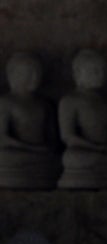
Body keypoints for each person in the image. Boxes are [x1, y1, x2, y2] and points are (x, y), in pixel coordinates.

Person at [57, 48, 107, 189]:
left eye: (102, 70)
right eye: (94, 71)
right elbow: (67, 136)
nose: (100, 75)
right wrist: (97, 147)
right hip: (84, 151)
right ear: (77, 73)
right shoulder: (69, 101)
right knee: (72, 157)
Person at [0, 52, 59, 189]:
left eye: (37, 72)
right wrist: (30, 148)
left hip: (41, 155)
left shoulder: (45, 105)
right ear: (13, 75)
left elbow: (53, 138)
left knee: (61, 159)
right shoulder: (5, 102)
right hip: (15, 154)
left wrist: (47, 148)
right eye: (28, 72)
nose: (34, 77)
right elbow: (1, 138)